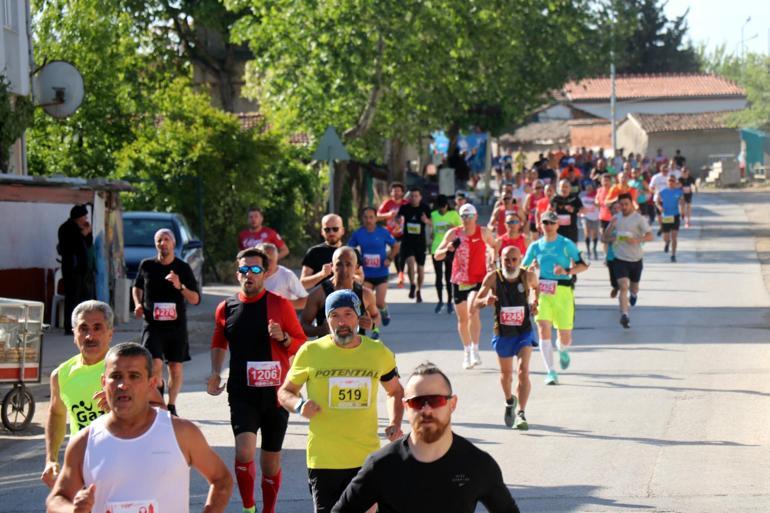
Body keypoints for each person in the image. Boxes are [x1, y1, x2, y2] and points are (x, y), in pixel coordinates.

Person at [46, 343, 232, 513]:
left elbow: (221, 480)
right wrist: (72, 510)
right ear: (104, 382)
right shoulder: (85, 441)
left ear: (151, 383)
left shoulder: (181, 432)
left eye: (134, 376)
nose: (123, 385)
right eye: (116, 376)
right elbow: (56, 499)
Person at [332, 362, 520, 513]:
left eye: (436, 400)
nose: (426, 410)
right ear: (406, 407)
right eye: (417, 402)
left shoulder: (477, 464)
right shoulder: (381, 465)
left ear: (452, 403)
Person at [278, 290, 404, 513]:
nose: (342, 321)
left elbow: (394, 391)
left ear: (358, 316)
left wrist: (394, 422)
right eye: (335, 315)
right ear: (327, 319)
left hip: (366, 458)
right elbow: (285, 392)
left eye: (348, 313)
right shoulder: (311, 351)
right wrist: (299, 405)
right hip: (324, 459)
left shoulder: (377, 352)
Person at [208, 247, 307, 513]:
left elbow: (301, 344)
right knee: (243, 452)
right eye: (243, 269)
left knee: (270, 463)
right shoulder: (226, 307)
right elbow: (219, 341)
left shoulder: (280, 304)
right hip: (242, 392)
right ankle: (249, 507)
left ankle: (268, 510)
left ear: (264, 274)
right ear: (237, 273)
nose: (248, 274)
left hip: (276, 394)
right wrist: (216, 371)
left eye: (254, 270)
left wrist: (283, 338)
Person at [132, 228, 200, 416]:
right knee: (155, 364)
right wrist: (138, 304)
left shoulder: (183, 268)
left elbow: (195, 299)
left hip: (175, 326)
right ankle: (157, 402)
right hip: (152, 324)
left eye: (167, 239)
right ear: (156, 244)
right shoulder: (147, 265)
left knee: (175, 367)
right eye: (159, 240)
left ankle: (171, 404)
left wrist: (180, 286)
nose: (163, 243)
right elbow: (136, 287)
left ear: (173, 243)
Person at [522, 211, 589, 385]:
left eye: (552, 223)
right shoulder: (535, 246)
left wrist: (566, 271)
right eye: (545, 222)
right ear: (540, 225)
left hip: (563, 292)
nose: (548, 226)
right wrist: (531, 269)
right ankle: (551, 372)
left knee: (564, 336)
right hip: (543, 292)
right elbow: (523, 268)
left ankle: (562, 348)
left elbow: (584, 264)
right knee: (543, 328)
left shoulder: (566, 244)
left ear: (557, 225)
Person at [474, 247, 538, 430]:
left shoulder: (528, 276)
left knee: (523, 370)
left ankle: (521, 413)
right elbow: (476, 302)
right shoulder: (493, 277)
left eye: (514, 260)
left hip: (524, 330)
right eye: (506, 260)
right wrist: (485, 301)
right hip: (503, 332)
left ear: (520, 259)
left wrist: (535, 302)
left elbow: (535, 290)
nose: (510, 264)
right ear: (500, 260)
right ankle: (510, 401)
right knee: (506, 375)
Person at [434, 203, 496, 370]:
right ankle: (467, 350)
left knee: (472, 310)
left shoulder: (483, 232)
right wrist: (448, 249)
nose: (467, 219)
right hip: (459, 281)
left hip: (478, 279)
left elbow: (494, 246)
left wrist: (492, 260)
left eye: (469, 215)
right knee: (462, 319)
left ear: (475, 216)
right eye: (464, 216)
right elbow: (437, 255)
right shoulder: (454, 234)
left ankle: (475, 349)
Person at [301, 247, 380, 339]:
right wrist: (321, 329)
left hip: (356, 351)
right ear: (332, 266)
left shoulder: (366, 294)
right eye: (339, 264)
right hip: (328, 351)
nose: (344, 269)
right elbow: (302, 326)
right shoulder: (318, 294)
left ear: (356, 268)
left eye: (348, 264)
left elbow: (376, 316)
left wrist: (372, 324)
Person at [602, 194, 653, 329]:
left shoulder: (638, 219)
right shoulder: (615, 219)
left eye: (626, 204)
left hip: (636, 259)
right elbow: (604, 238)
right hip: (620, 258)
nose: (624, 207)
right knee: (623, 286)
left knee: (633, 287)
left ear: (631, 204)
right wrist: (610, 229)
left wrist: (637, 240)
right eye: (621, 204)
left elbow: (650, 236)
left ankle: (634, 294)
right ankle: (625, 315)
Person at [347, 207, 400, 326]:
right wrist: (355, 263)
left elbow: (396, 246)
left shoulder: (383, 232)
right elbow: (349, 249)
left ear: (376, 218)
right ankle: (374, 327)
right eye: (365, 217)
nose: (368, 220)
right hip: (366, 274)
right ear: (362, 218)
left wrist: (389, 258)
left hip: (381, 272)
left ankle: (384, 311)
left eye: (371, 217)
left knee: (380, 302)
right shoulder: (358, 233)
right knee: (367, 303)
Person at [57, 204, 96, 334]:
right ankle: (69, 326)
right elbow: (70, 247)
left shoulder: (81, 228)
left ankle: (82, 325)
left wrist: (87, 234)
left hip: (83, 269)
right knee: (72, 297)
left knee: (83, 298)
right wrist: (82, 234)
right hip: (72, 269)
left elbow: (88, 244)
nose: (85, 219)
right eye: (84, 216)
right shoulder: (67, 228)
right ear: (78, 217)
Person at [301, 214, 363, 289]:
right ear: (322, 232)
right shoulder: (313, 252)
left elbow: (360, 277)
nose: (331, 233)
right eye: (327, 230)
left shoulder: (352, 252)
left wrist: (349, 277)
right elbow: (303, 284)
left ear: (342, 230)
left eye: (335, 229)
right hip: (322, 299)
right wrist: (322, 274)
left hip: (347, 298)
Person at [397, 188, 433, 303]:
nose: (414, 198)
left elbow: (432, 223)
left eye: (416, 196)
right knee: (410, 263)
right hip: (408, 241)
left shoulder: (425, 208)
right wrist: (399, 220)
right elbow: (397, 218)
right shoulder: (404, 207)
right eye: (412, 196)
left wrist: (426, 220)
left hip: (420, 242)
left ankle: (418, 290)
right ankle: (412, 284)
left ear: (420, 197)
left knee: (420, 269)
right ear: (409, 197)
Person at [430, 195, 462, 314]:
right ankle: (440, 301)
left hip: (450, 249)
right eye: (440, 207)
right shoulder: (433, 215)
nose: (442, 210)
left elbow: (460, 229)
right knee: (438, 277)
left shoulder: (453, 214)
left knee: (449, 277)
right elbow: (432, 229)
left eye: (444, 207)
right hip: (436, 248)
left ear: (447, 205)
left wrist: (453, 227)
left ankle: (449, 302)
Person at [259, 242, 309, 309]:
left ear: (277, 258)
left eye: (271, 260)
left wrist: (279, 303)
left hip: (279, 317)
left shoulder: (287, 275)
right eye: (264, 260)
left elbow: (305, 301)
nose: (267, 264)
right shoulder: (251, 274)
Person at [377, 182, 408, 287]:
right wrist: (388, 215)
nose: (396, 193)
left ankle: (401, 274)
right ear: (391, 192)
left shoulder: (405, 203)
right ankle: (399, 273)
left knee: (400, 253)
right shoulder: (388, 203)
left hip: (404, 233)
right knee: (395, 255)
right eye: (394, 191)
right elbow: (377, 215)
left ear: (402, 192)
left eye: (398, 191)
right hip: (391, 234)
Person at [657, 175, 685, 262]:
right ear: (667, 182)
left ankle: (673, 255)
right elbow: (657, 201)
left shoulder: (679, 192)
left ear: (675, 182)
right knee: (666, 236)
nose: (671, 182)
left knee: (674, 237)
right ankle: (667, 242)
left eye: (673, 180)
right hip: (666, 216)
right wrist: (659, 207)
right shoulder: (663, 191)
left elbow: (682, 202)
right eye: (669, 180)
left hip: (675, 216)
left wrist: (682, 212)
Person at [550, 179, 584, 243]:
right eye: (562, 187)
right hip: (558, 229)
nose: (564, 189)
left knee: (572, 250)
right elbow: (549, 212)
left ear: (570, 188)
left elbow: (583, 210)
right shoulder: (555, 199)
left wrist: (574, 209)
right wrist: (552, 212)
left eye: (566, 187)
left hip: (571, 229)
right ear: (559, 188)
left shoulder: (575, 198)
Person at [580, 182, 600, 259]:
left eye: (590, 188)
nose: (589, 190)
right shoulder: (583, 197)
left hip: (595, 217)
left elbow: (600, 205)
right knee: (587, 233)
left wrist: (596, 203)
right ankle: (588, 250)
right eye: (587, 188)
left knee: (595, 234)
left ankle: (594, 248)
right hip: (586, 217)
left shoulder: (596, 196)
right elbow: (580, 207)